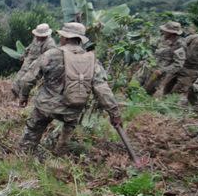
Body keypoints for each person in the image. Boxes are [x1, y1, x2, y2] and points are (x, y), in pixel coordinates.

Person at [14, 22, 122, 153]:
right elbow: (102, 89)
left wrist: (23, 96)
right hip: (72, 109)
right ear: (80, 39)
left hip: (46, 106)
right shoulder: (91, 59)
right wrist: (114, 113)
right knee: (66, 138)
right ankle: (60, 155)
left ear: (64, 38)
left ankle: (24, 154)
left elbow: (28, 79)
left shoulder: (51, 54)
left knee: (33, 131)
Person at [141, 21, 185, 96]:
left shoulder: (179, 44)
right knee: (138, 85)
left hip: (162, 73)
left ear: (171, 33)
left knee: (148, 91)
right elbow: (152, 48)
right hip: (151, 66)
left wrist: (162, 70)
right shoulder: (162, 38)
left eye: (166, 30)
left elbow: (178, 64)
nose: (163, 31)